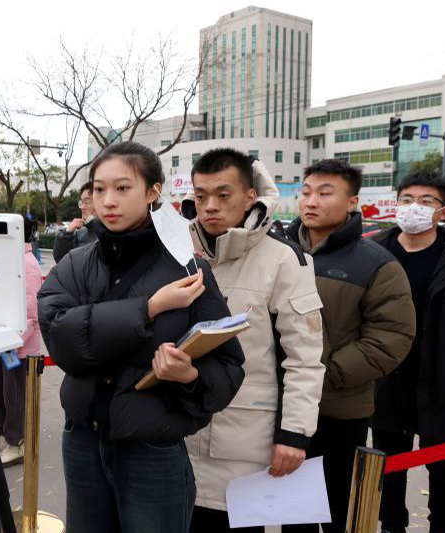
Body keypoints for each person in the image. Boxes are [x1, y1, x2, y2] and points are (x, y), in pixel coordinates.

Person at [38, 141, 245, 533]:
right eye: (99, 189)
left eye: (122, 188)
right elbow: (61, 337)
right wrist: (147, 308)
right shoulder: (76, 264)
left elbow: (228, 365)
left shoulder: (187, 267)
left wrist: (189, 376)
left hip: (153, 451)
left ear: (153, 191)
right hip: (82, 441)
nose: (108, 201)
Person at [180, 149, 325, 533]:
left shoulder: (284, 259)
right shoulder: (178, 253)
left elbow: (305, 357)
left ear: (250, 197)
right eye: (200, 195)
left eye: (223, 195)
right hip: (177, 437)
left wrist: (294, 435)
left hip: (245, 444)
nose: (210, 206)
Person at [282, 159, 415, 533]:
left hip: (340, 408)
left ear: (352, 201)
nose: (311, 201)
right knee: (293, 512)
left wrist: (330, 372)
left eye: (326, 194)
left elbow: (391, 337)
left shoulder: (376, 264)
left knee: (341, 509)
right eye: (306, 193)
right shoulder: (280, 255)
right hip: (284, 407)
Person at [370, 171, 445, 533]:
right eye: (407, 199)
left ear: (442, 211)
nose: (414, 208)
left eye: (427, 201)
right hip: (387, 377)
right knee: (387, 464)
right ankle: (391, 525)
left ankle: (444, 526)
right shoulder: (375, 251)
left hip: (444, 379)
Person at [0, 214, 43, 467]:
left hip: (16, 346)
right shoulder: (8, 258)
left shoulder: (28, 263)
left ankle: (16, 441)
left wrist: (13, 339)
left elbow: (32, 312)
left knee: (14, 395)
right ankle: (3, 435)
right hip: (0, 340)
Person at [52, 180, 100, 263]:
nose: (82, 207)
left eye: (87, 202)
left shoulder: (109, 233)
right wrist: (67, 233)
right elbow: (60, 259)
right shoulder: (80, 233)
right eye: (82, 202)